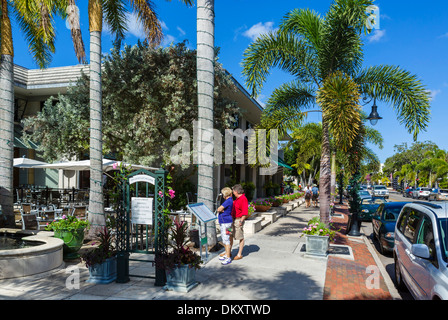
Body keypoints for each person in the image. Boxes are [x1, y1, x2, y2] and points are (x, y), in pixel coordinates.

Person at [230, 184, 248, 261]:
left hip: (238, 220)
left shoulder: (243, 199)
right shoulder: (237, 199)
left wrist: (241, 221)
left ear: (236, 191)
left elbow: (245, 212)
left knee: (240, 236)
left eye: (233, 191)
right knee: (229, 235)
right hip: (231, 220)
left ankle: (239, 254)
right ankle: (228, 251)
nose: (233, 193)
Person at [217, 187, 234, 265]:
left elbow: (219, 209)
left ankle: (228, 257)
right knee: (227, 237)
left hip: (225, 223)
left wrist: (221, 209)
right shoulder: (230, 200)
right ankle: (227, 254)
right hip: (228, 222)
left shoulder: (228, 201)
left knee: (226, 239)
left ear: (224, 195)